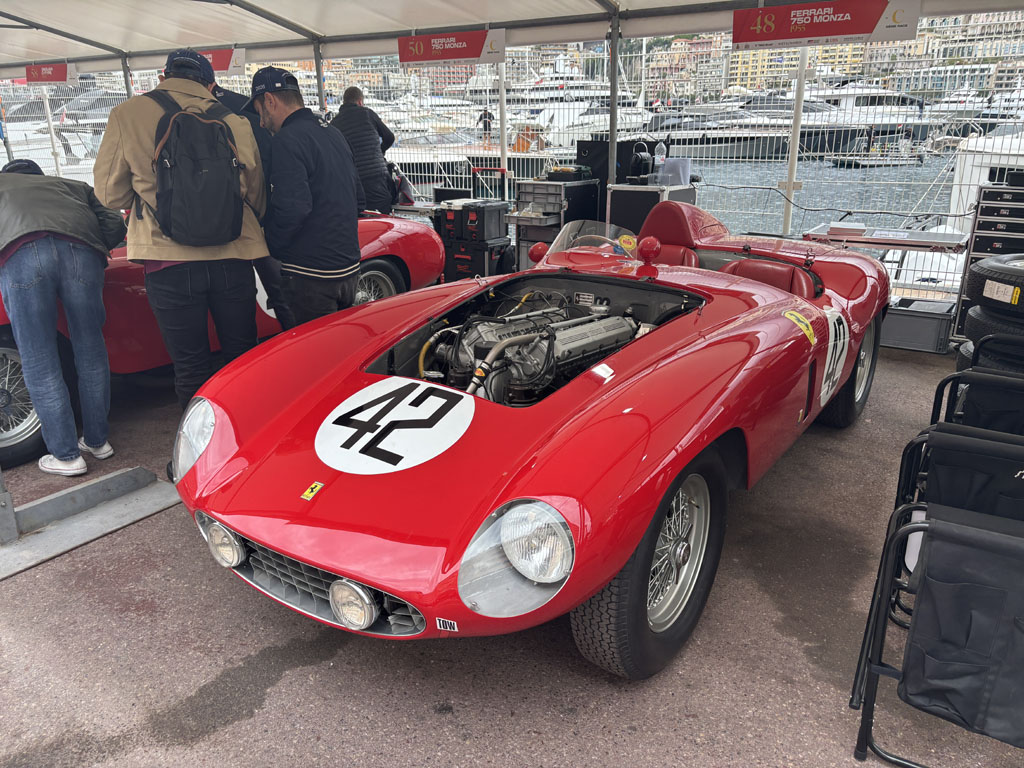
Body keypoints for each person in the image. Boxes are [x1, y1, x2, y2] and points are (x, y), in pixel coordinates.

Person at [93, 49, 269, 410]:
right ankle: (250, 430)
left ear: (163, 77)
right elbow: (256, 194)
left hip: (167, 260)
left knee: (191, 367)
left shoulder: (127, 114)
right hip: (233, 255)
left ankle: (200, 441)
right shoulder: (236, 121)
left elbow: (109, 194)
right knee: (242, 357)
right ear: (211, 86)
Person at [0, 159, 126, 476]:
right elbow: (114, 223)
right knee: (91, 349)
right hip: (81, 254)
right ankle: (98, 442)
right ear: (40, 176)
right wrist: (94, 246)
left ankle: (67, 457)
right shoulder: (72, 186)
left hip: (22, 254)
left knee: (39, 358)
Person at [244, 66, 363, 326]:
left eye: (259, 112)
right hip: (348, 269)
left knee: (311, 350)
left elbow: (293, 207)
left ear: (270, 100)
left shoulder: (287, 139)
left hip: (311, 275)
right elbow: (358, 196)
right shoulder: (333, 133)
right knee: (338, 346)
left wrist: (272, 245)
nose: (261, 122)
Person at [213, 80, 297, 330]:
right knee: (280, 294)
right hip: (257, 217)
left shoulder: (172, 113)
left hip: (210, 227)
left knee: (230, 303)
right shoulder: (241, 106)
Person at [329, 86, 395, 214]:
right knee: (381, 217)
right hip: (376, 177)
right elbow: (389, 137)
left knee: (360, 217)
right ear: (360, 102)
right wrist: (380, 152)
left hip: (352, 181)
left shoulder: (334, 123)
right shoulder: (367, 113)